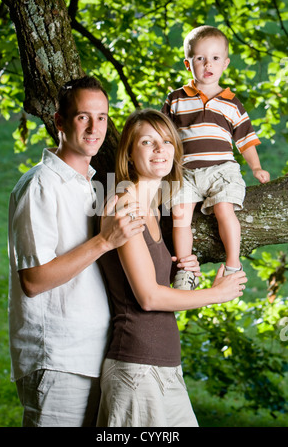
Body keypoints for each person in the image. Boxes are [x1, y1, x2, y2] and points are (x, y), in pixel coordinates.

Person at [8, 76, 146, 427]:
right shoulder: (40, 186)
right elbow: (34, 280)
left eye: (101, 117)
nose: (94, 127)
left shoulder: (91, 186)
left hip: (95, 353)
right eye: (83, 116)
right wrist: (103, 241)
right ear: (59, 121)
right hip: (58, 356)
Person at [96, 108, 247, 427]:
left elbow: (165, 297)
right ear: (129, 153)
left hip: (164, 366)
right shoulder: (126, 207)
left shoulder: (155, 211)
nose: (159, 149)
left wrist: (186, 273)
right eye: (147, 142)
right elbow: (149, 298)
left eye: (166, 141)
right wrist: (215, 295)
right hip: (137, 370)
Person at [162, 25, 270, 290]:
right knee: (180, 215)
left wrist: (255, 167)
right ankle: (186, 268)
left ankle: (233, 263)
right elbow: (163, 135)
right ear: (189, 64)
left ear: (225, 64)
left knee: (224, 209)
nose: (207, 64)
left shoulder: (231, 103)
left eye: (215, 58)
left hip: (221, 170)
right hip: (185, 172)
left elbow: (245, 140)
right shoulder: (176, 99)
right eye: (200, 58)